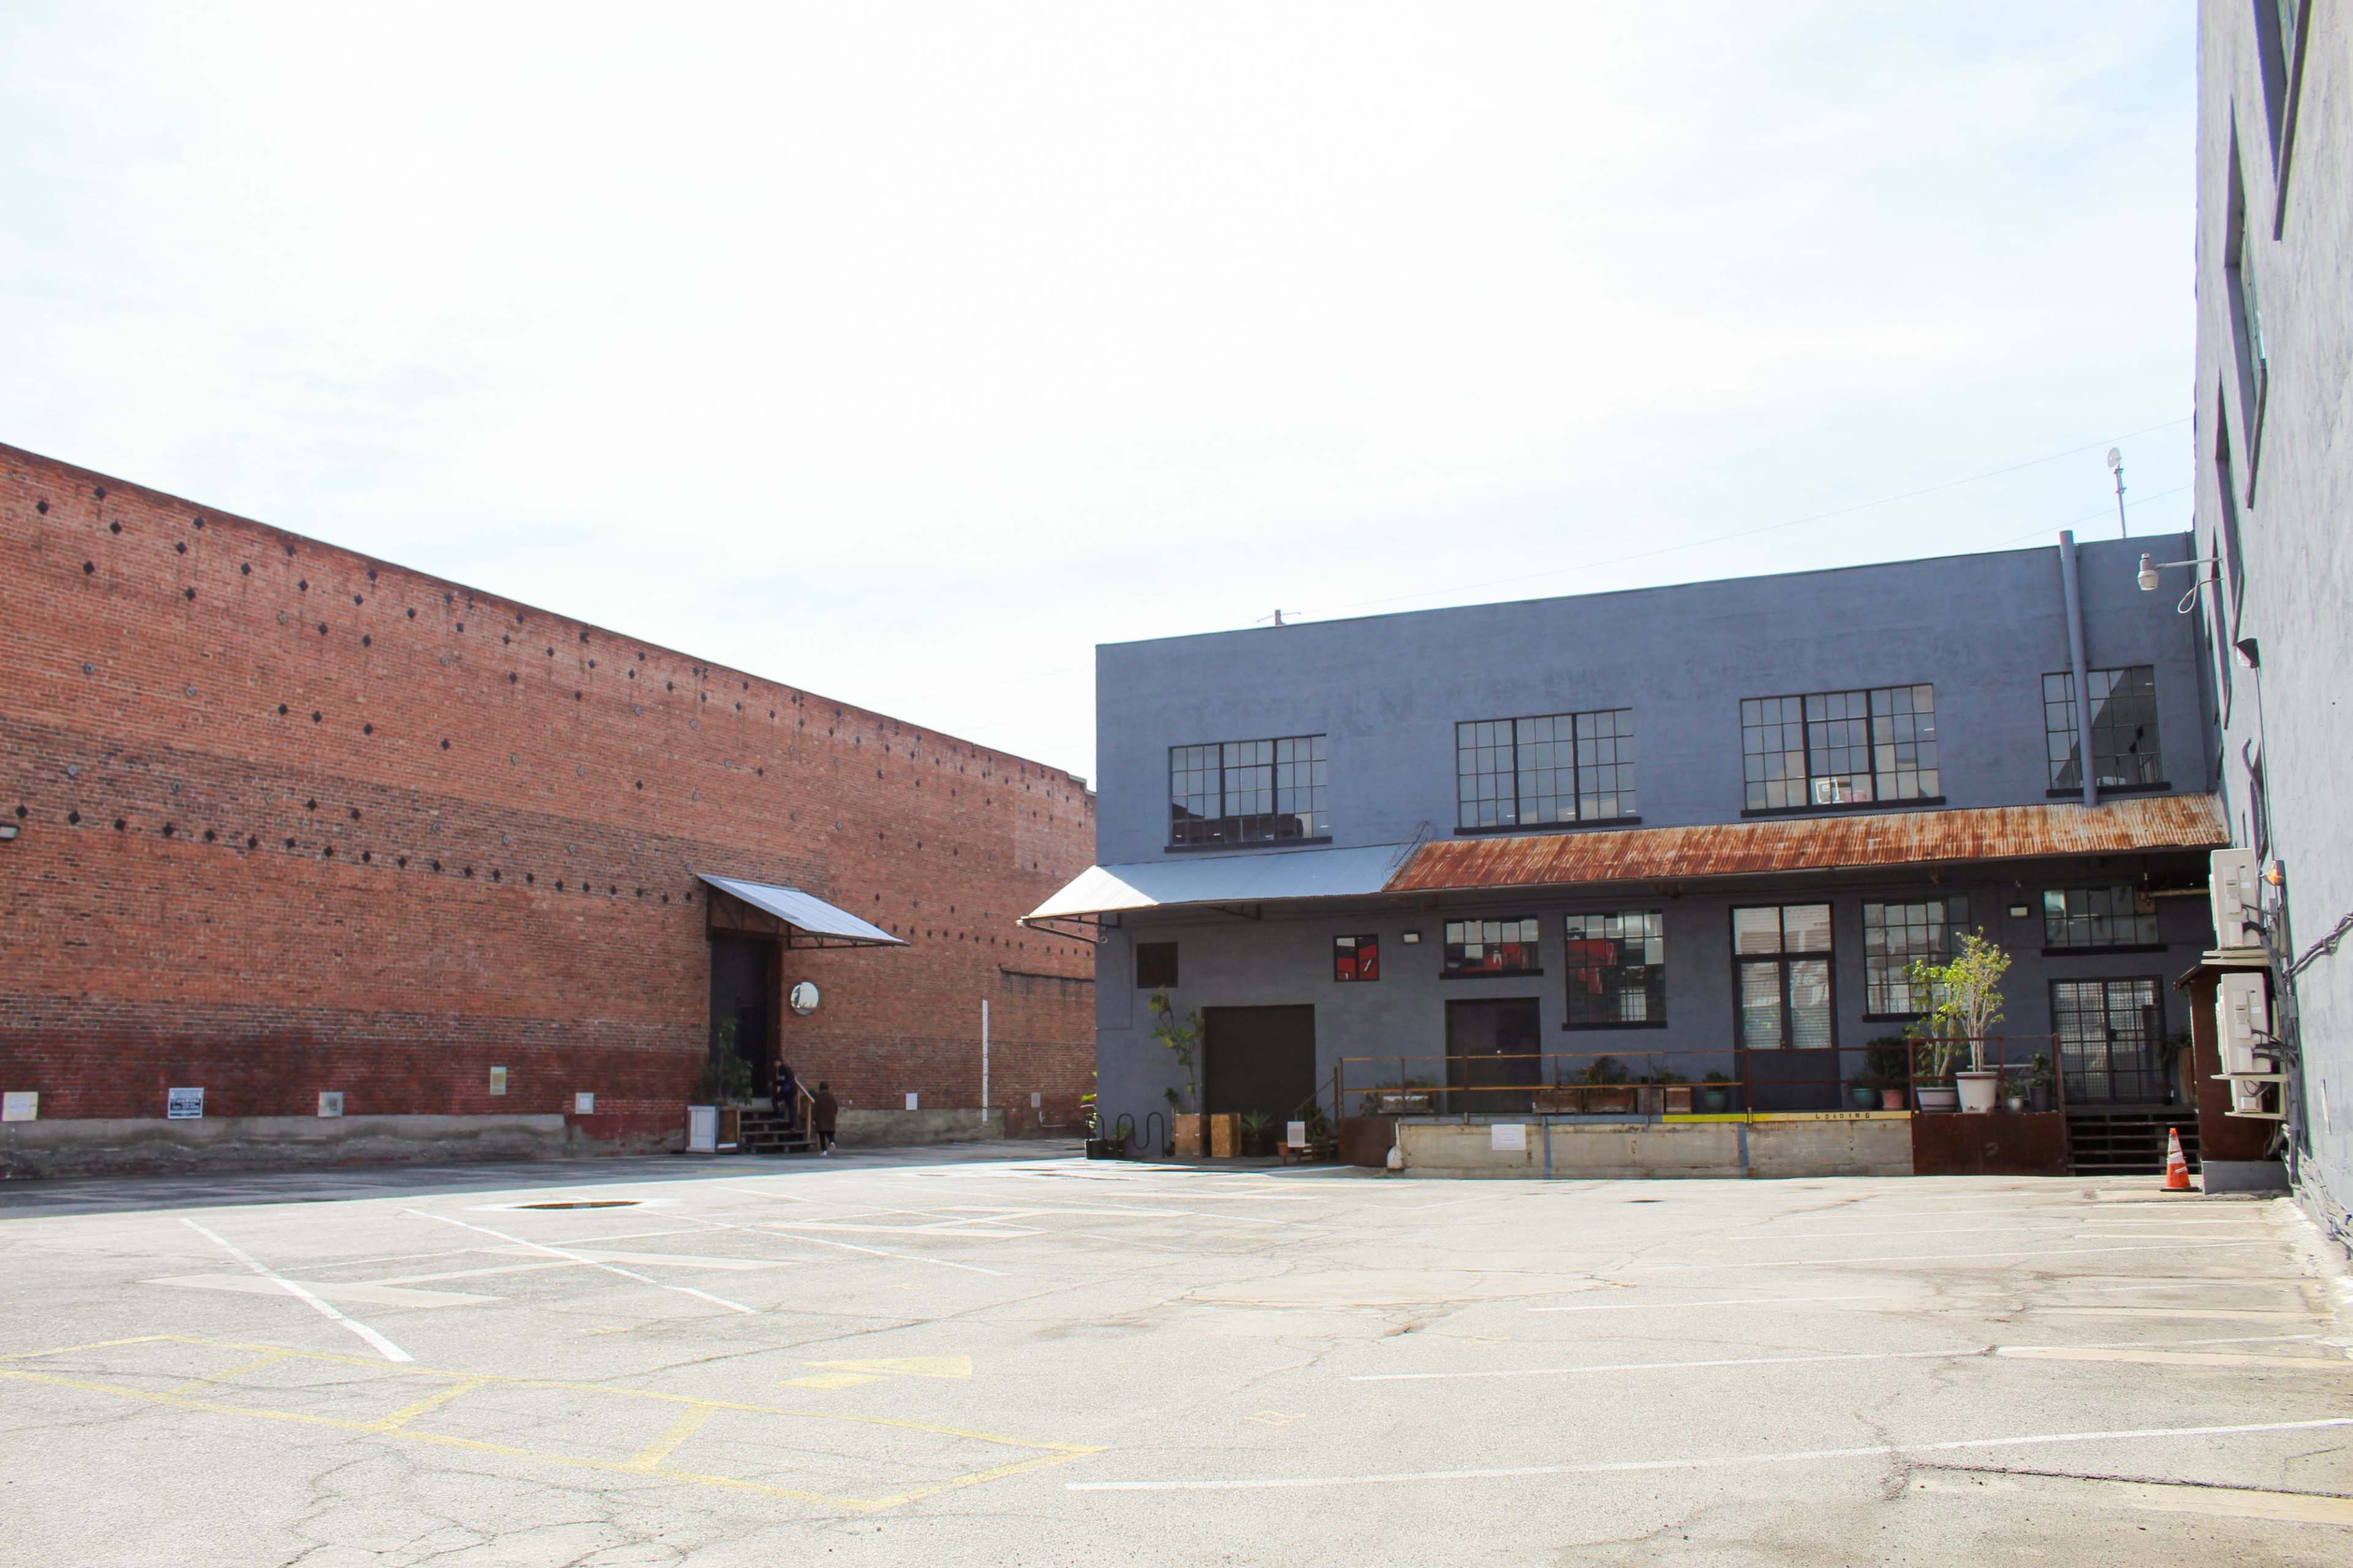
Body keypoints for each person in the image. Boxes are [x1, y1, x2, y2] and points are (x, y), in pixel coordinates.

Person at [811, 1081, 839, 1155]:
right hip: (831, 1118)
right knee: (830, 1133)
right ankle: (832, 1142)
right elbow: (836, 1108)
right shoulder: (832, 1097)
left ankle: (824, 1151)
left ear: (820, 1088)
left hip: (821, 1119)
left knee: (822, 1135)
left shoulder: (819, 1097)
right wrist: (834, 1115)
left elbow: (815, 1109)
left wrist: (814, 1119)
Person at [773, 1058, 799, 1130]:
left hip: (787, 1091)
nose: (774, 1065)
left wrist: (774, 1083)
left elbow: (783, 1081)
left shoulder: (782, 1069)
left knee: (775, 1100)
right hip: (792, 1090)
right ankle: (793, 1126)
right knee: (791, 1108)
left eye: (775, 1063)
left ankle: (779, 1116)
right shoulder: (788, 1068)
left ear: (778, 1062)